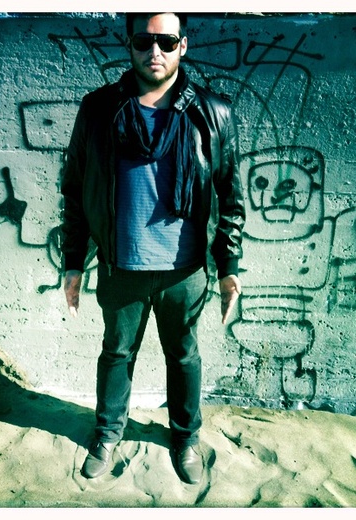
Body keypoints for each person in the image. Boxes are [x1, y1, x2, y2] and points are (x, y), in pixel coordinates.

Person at [60, 12, 245, 485]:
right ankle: (107, 434)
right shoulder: (99, 109)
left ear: (183, 45)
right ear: (129, 44)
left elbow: (230, 195)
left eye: (166, 40)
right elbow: (75, 189)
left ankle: (185, 438)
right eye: (144, 41)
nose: (154, 51)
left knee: (183, 356)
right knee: (116, 353)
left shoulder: (213, 113)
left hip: (186, 270)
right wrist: (73, 262)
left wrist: (228, 266)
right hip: (121, 265)